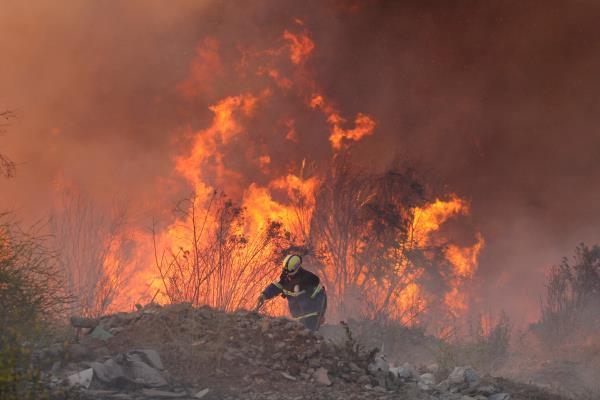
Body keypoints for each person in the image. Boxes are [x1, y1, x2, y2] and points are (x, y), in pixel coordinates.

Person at [256, 254, 327, 331]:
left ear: (296, 268)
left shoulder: (309, 280)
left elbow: (322, 297)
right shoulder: (284, 279)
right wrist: (264, 295)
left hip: (311, 316)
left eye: (289, 271)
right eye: (285, 270)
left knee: (308, 336)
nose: (286, 274)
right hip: (297, 318)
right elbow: (275, 287)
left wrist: (320, 314)